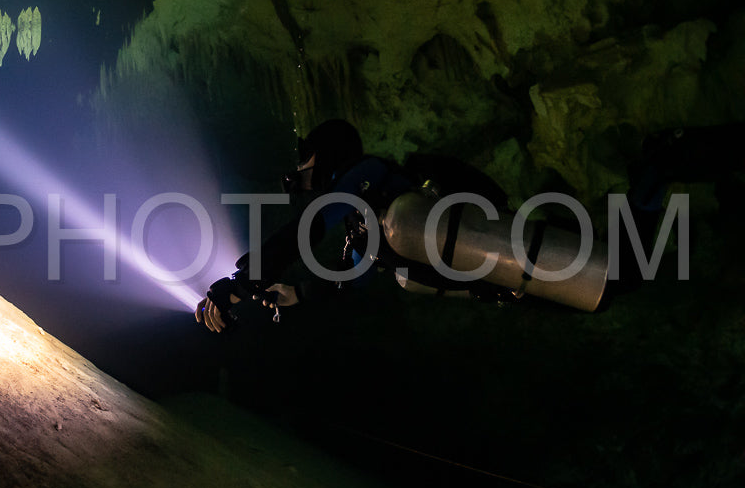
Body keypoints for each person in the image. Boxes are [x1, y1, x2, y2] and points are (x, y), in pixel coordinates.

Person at [195, 119, 607, 332]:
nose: (299, 174)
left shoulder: (366, 174)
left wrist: (241, 282)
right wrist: (296, 293)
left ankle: (650, 182)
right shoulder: (364, 229)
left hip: (513, 264)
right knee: (612, 287)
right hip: (509, 281)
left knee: (619, 276)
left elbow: (312, 226)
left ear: (326, 154)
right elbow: (348, 282)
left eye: (305, 161)